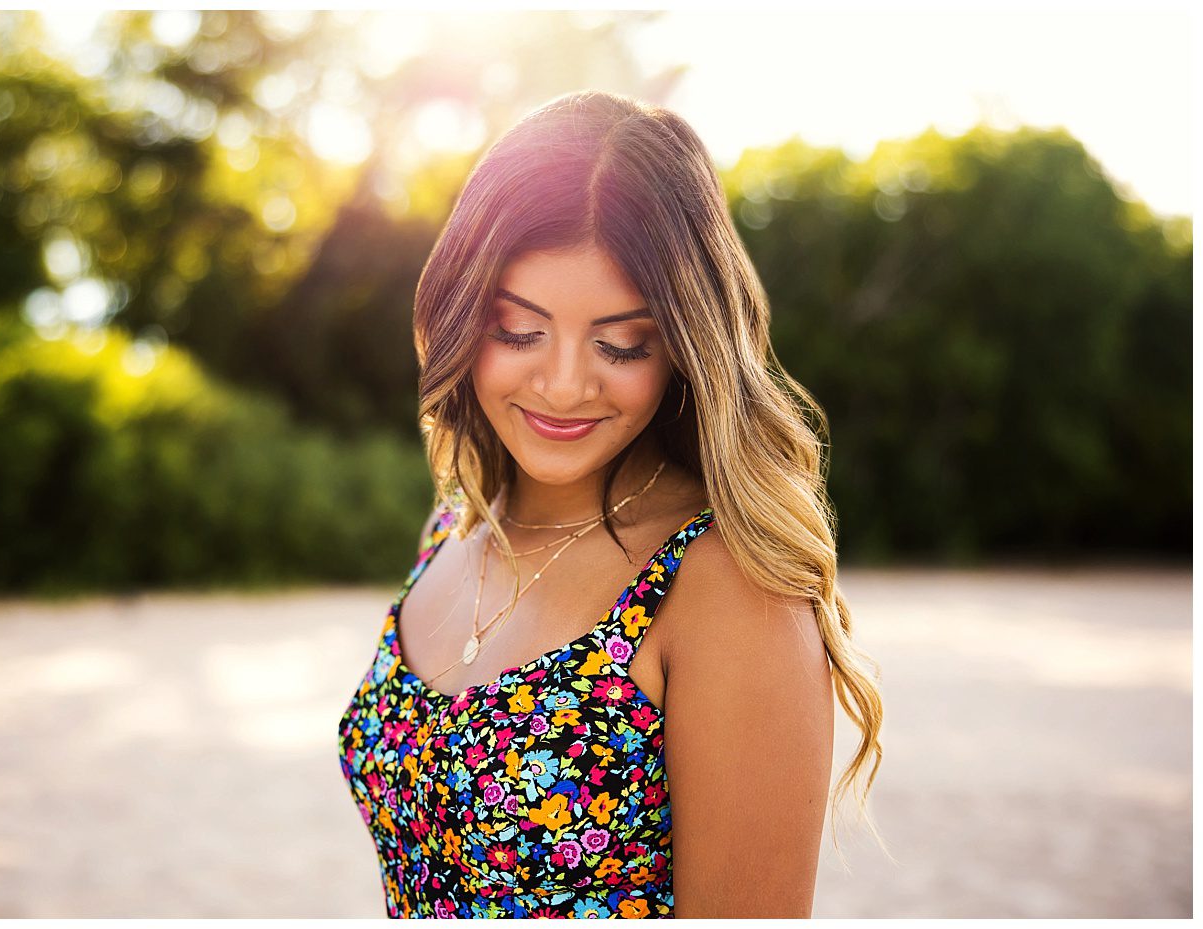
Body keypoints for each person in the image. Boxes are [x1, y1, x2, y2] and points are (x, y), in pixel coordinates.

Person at [336, 90, 885, 918]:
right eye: (519, 331)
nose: (562, 384)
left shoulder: (729, 586)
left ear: (683, 344)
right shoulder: (456, 518)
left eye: (622, 343)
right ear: (460, 315)